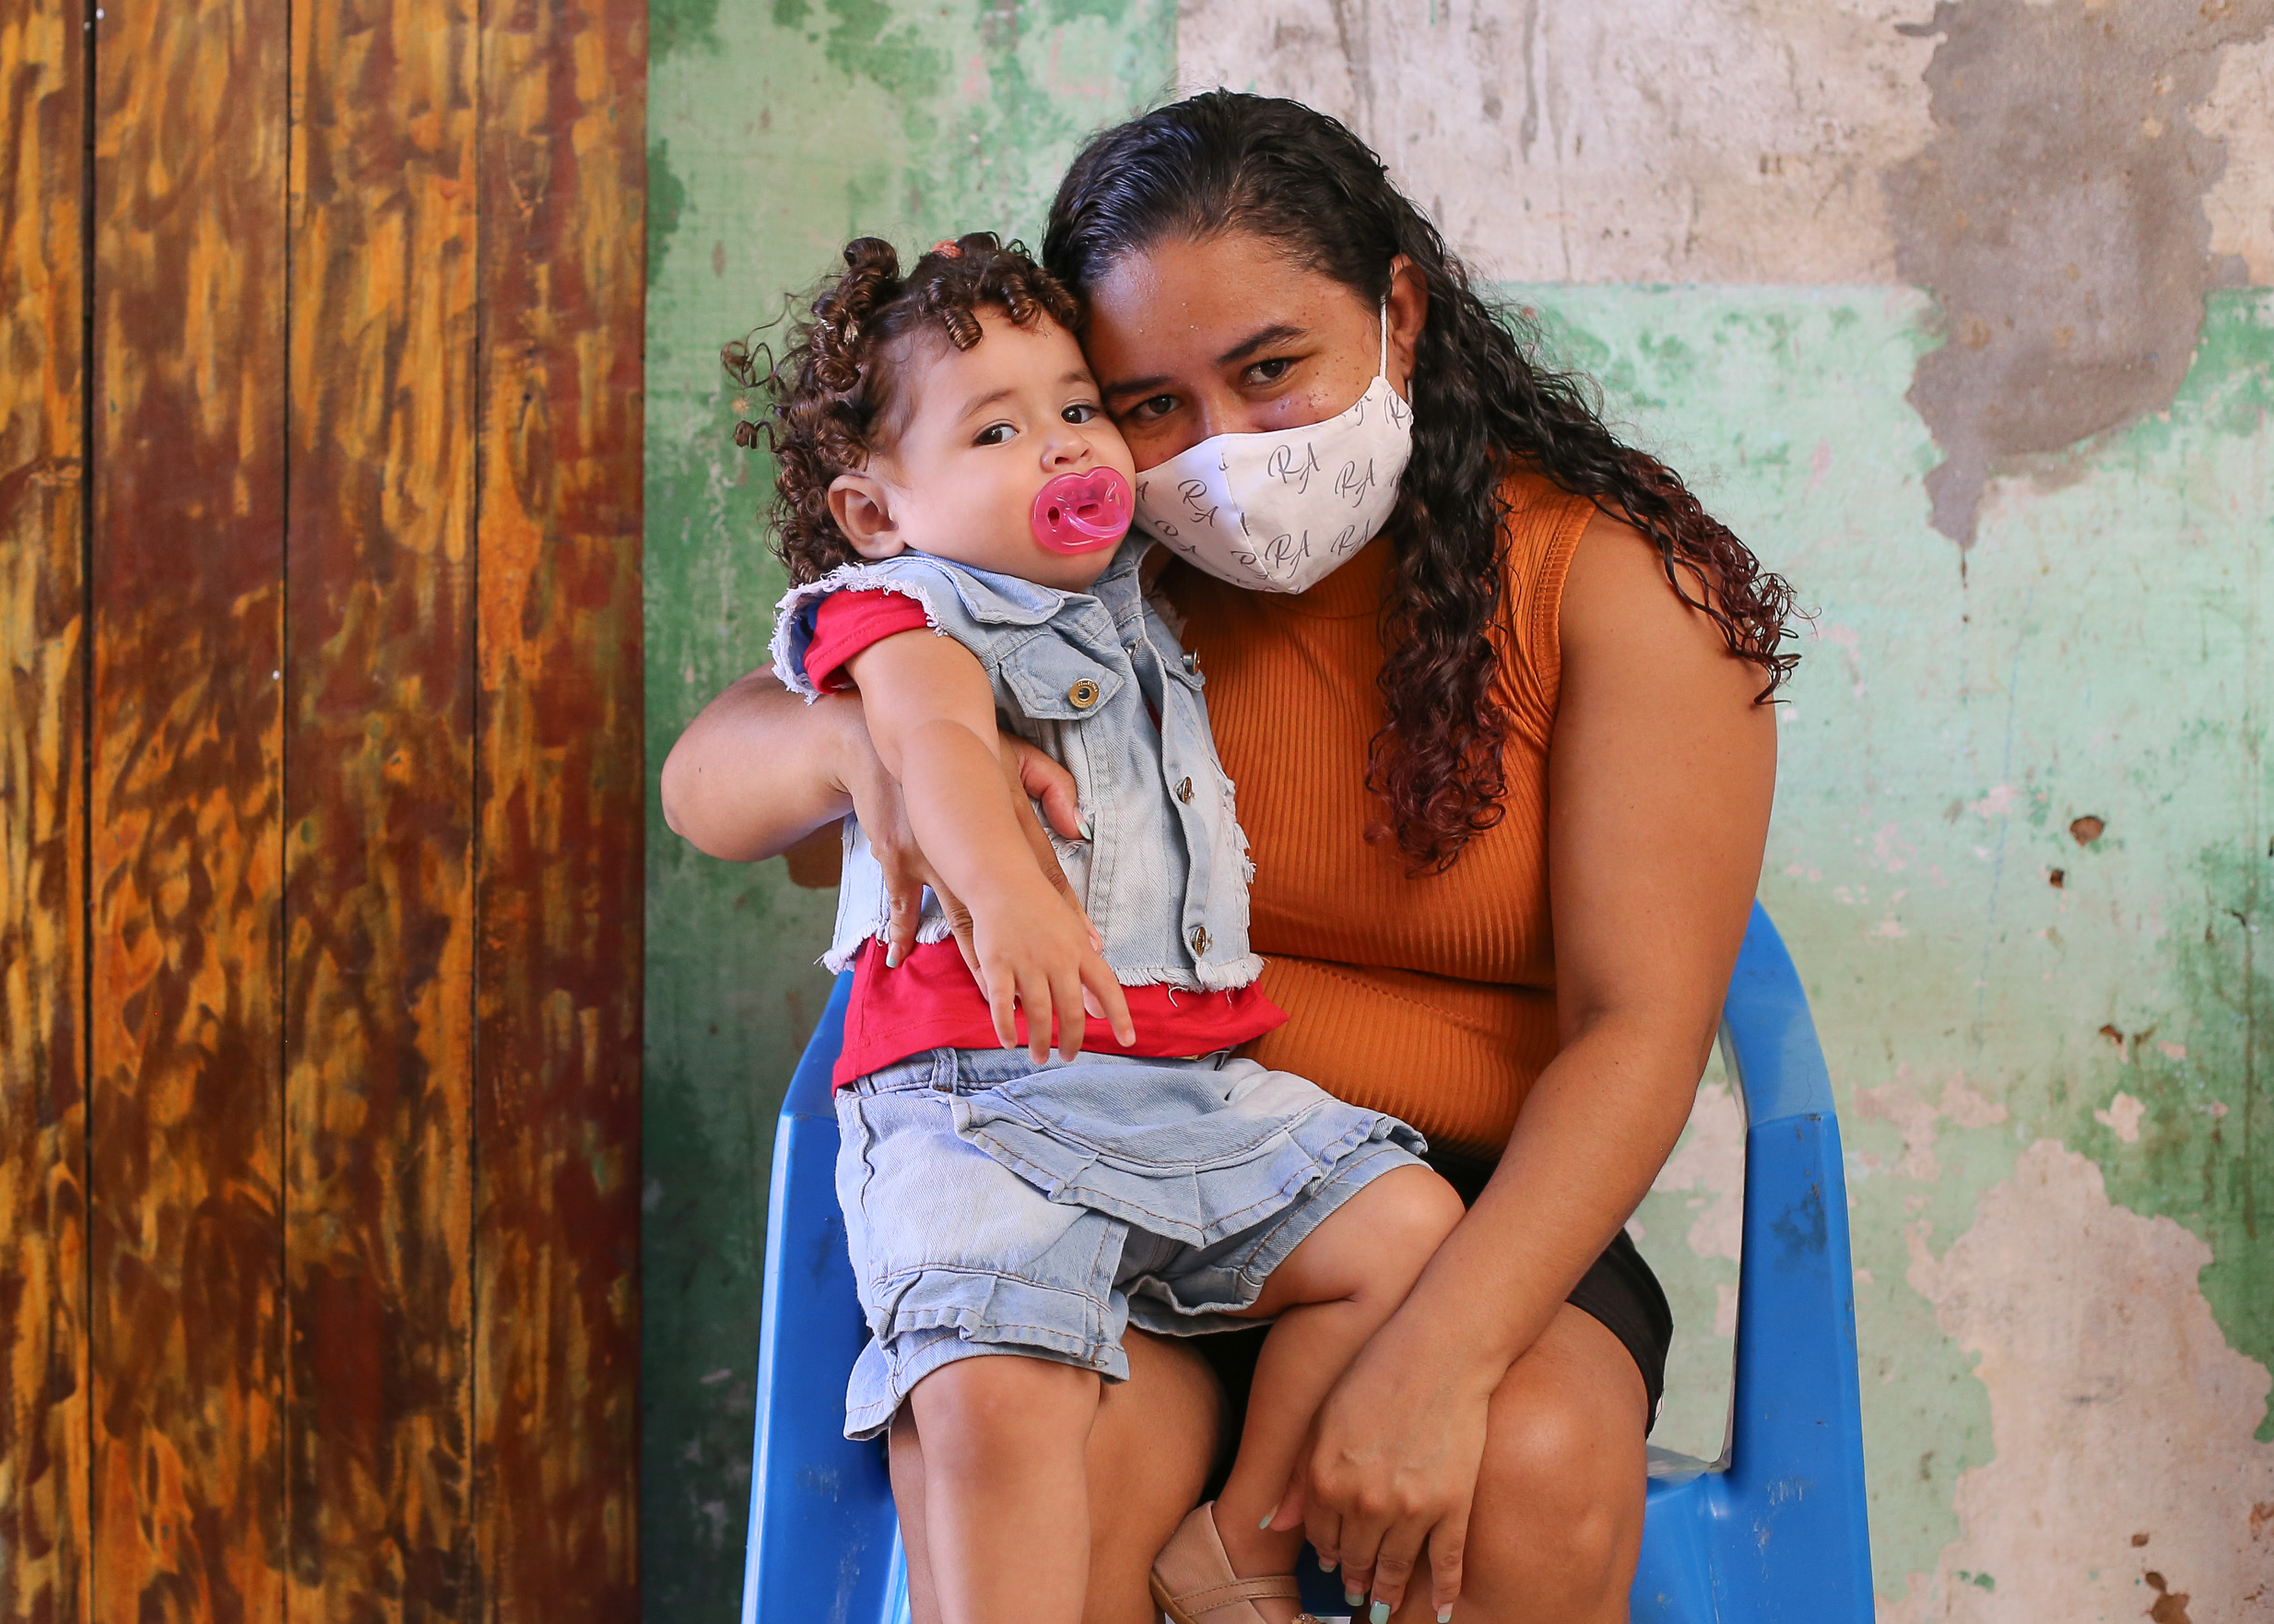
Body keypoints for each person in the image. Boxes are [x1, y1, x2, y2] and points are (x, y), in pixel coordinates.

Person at [666, 93, 1792, 1624]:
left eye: (1269, 370)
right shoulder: (1089, 581)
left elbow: (1638, 1029)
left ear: (1397, 311)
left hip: (1465, 1221)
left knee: (1518, 1464)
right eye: (1148, 404)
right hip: (1105, 1179)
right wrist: (868, 735)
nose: (1222, 453)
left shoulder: (1610, 584)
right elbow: (714, 778)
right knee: (1057, 1514)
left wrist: (1438, 1361)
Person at [734, 229, 1464, 1624]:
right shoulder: (906, 609)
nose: (1066, 449)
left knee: (1412, 1231)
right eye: (997, 429)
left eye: (1079, 409)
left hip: (1176, 1087)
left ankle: (1241, 1546)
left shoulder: (1140, 591)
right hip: (980, 1092)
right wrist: (1008, 894)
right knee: (992, 1404)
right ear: (877, 510)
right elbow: (936, 740)